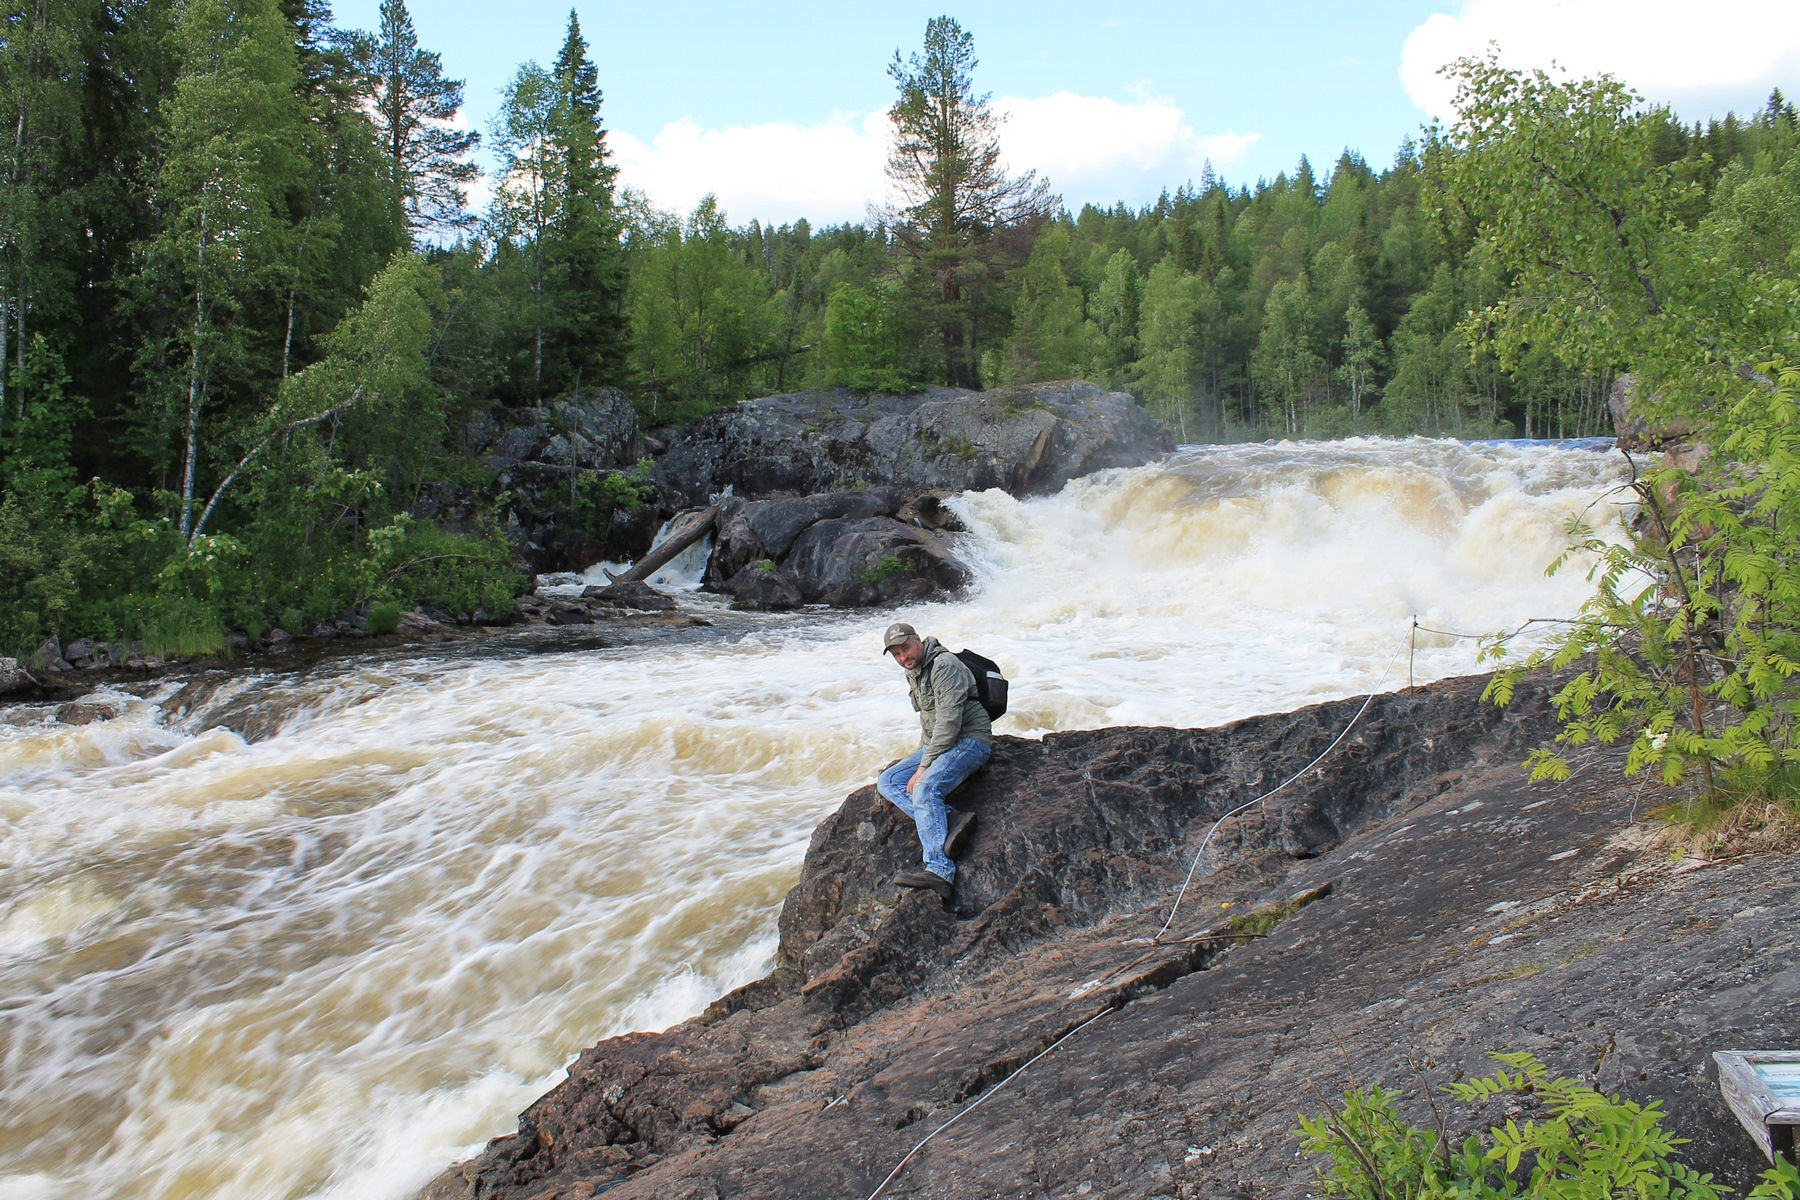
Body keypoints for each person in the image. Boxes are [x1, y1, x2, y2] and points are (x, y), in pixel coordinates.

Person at [876, 622, 993, 901]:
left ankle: (940, 871)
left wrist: (923, 768)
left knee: (924, 789)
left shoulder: (944, 665)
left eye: (906, 648)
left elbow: (949, 723)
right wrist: (919, 757)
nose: (903, 657)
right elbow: (928, 722)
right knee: (889, 781)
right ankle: (951, 818)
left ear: (918, 639)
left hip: (969, 741)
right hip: (939, 742)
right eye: (896, 654)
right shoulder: (914, 671)